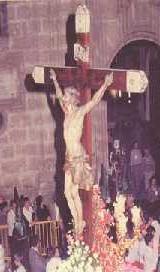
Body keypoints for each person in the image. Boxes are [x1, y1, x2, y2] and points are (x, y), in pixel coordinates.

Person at [50, 69, 113, 235]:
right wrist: (55, 81)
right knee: (66, 193)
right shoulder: (66, 113)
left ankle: (80, 222)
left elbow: (94, 101)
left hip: (78, 158)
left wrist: (105, 84)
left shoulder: (79, 113)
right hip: (68, 159)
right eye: (64, 96)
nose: (63, 98)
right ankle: (76, 219)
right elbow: (57, 96)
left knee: (73, 192)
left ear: (72, 98)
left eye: (66, 96)